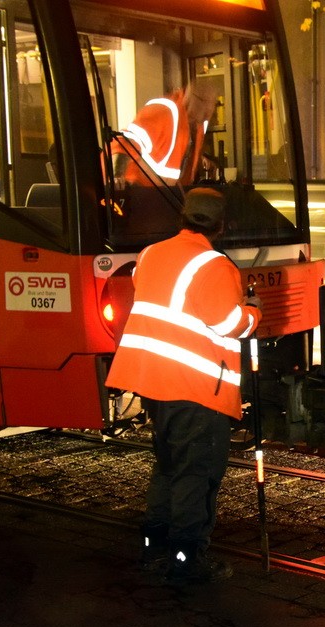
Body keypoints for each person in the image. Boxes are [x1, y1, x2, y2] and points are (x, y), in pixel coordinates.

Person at [105, 187, 262, 584]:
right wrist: (253, 312)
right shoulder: (215, 265)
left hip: (155, 382)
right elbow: (228, 323)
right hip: (195, 387)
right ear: (222, 226)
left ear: (183, 218)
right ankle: (186, 559)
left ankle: (154, 549)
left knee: (169, 467)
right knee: (197, 474)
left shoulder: (150, 254)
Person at [116, 79, 217, 188]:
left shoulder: (198, 124)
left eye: (213, 103)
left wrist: (201, 158)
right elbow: (126, 142)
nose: (210, 109)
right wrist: (118, 176)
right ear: (190, 97)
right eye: (205, 101)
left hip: (168, 195)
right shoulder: (164, 110)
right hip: (140, 191)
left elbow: (176, 150)